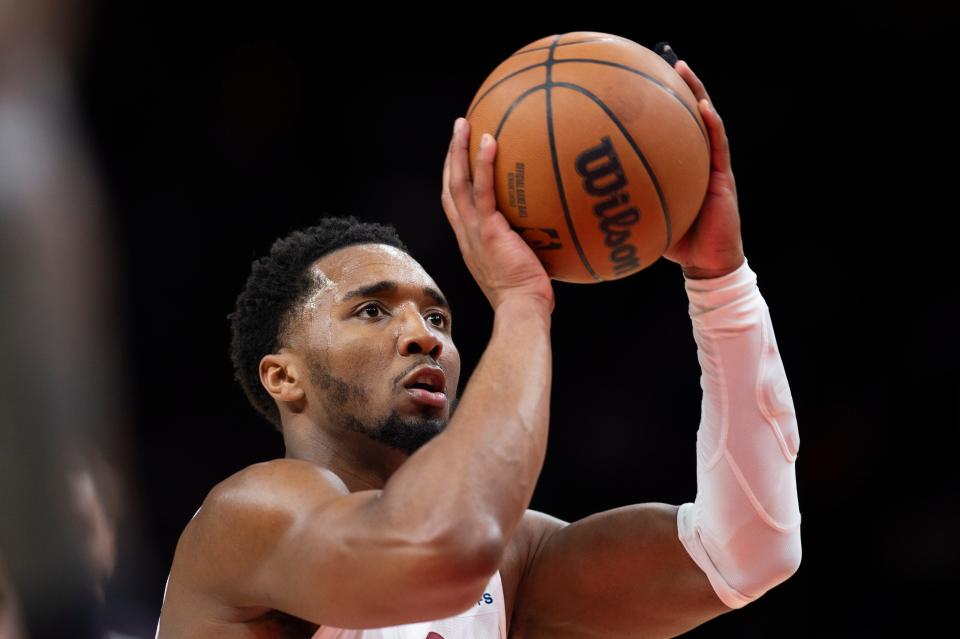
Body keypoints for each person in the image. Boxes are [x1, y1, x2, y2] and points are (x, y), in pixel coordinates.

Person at [155, 54, 801, 638]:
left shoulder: (512, 562)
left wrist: (722, 283)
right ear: (282, 375)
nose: (421, 334)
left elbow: (747, 551)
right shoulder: (245, 520)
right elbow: (437, 551)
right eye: (372, 310)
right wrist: (523, 299)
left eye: (439, 317)